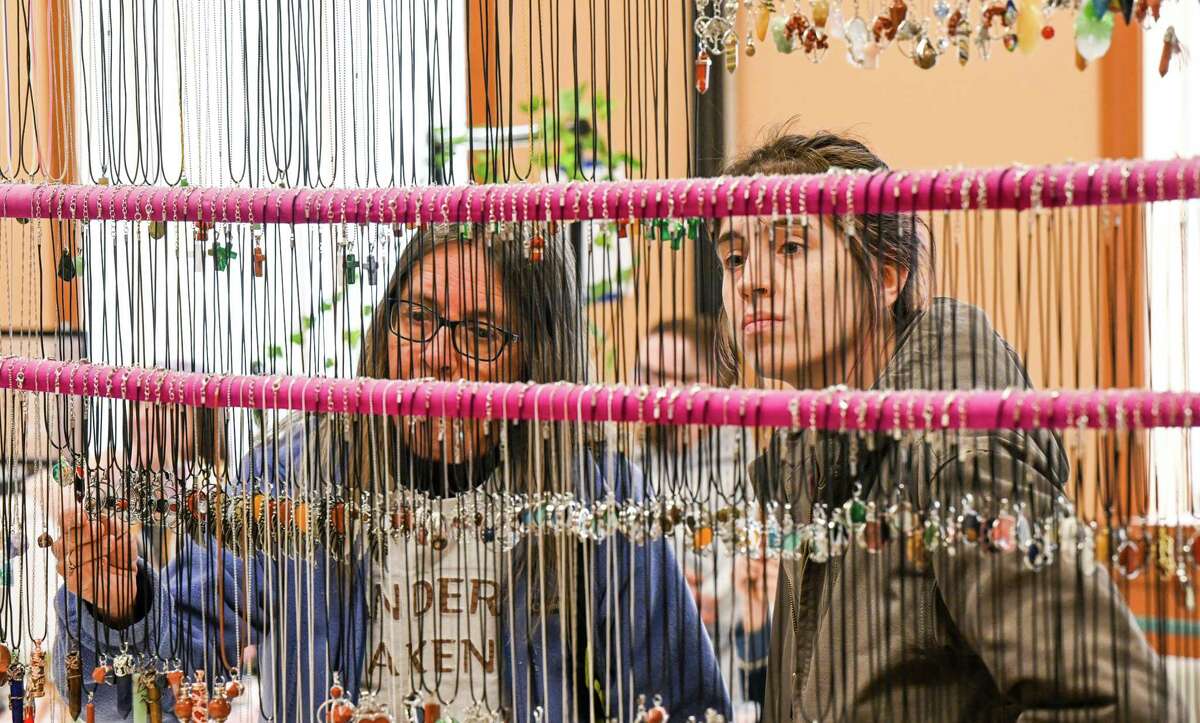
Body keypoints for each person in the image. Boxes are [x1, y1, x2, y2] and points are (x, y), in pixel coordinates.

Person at [49, 225, 729, 722]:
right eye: (419, 318)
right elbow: (157, 696)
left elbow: (685, 704)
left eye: (481, 334)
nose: (436, 357)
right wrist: (121, 607)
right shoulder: (296, 479)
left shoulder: (592, 494)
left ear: (536, 362)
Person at [716, 132, 1183, 722]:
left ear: (887, 278)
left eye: (789, 248)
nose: (749, 281)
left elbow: (1120, 705)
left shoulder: (960, 451)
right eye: (734, 257)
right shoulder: (805, 465)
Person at [635, 317, 764, 720]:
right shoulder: (627, 461)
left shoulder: (747, 462)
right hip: (642, 680)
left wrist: (716, 598)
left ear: (712, 383)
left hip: (726, 684)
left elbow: (757, 579)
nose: (654, 390)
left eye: (673, 377)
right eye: (647, 374)